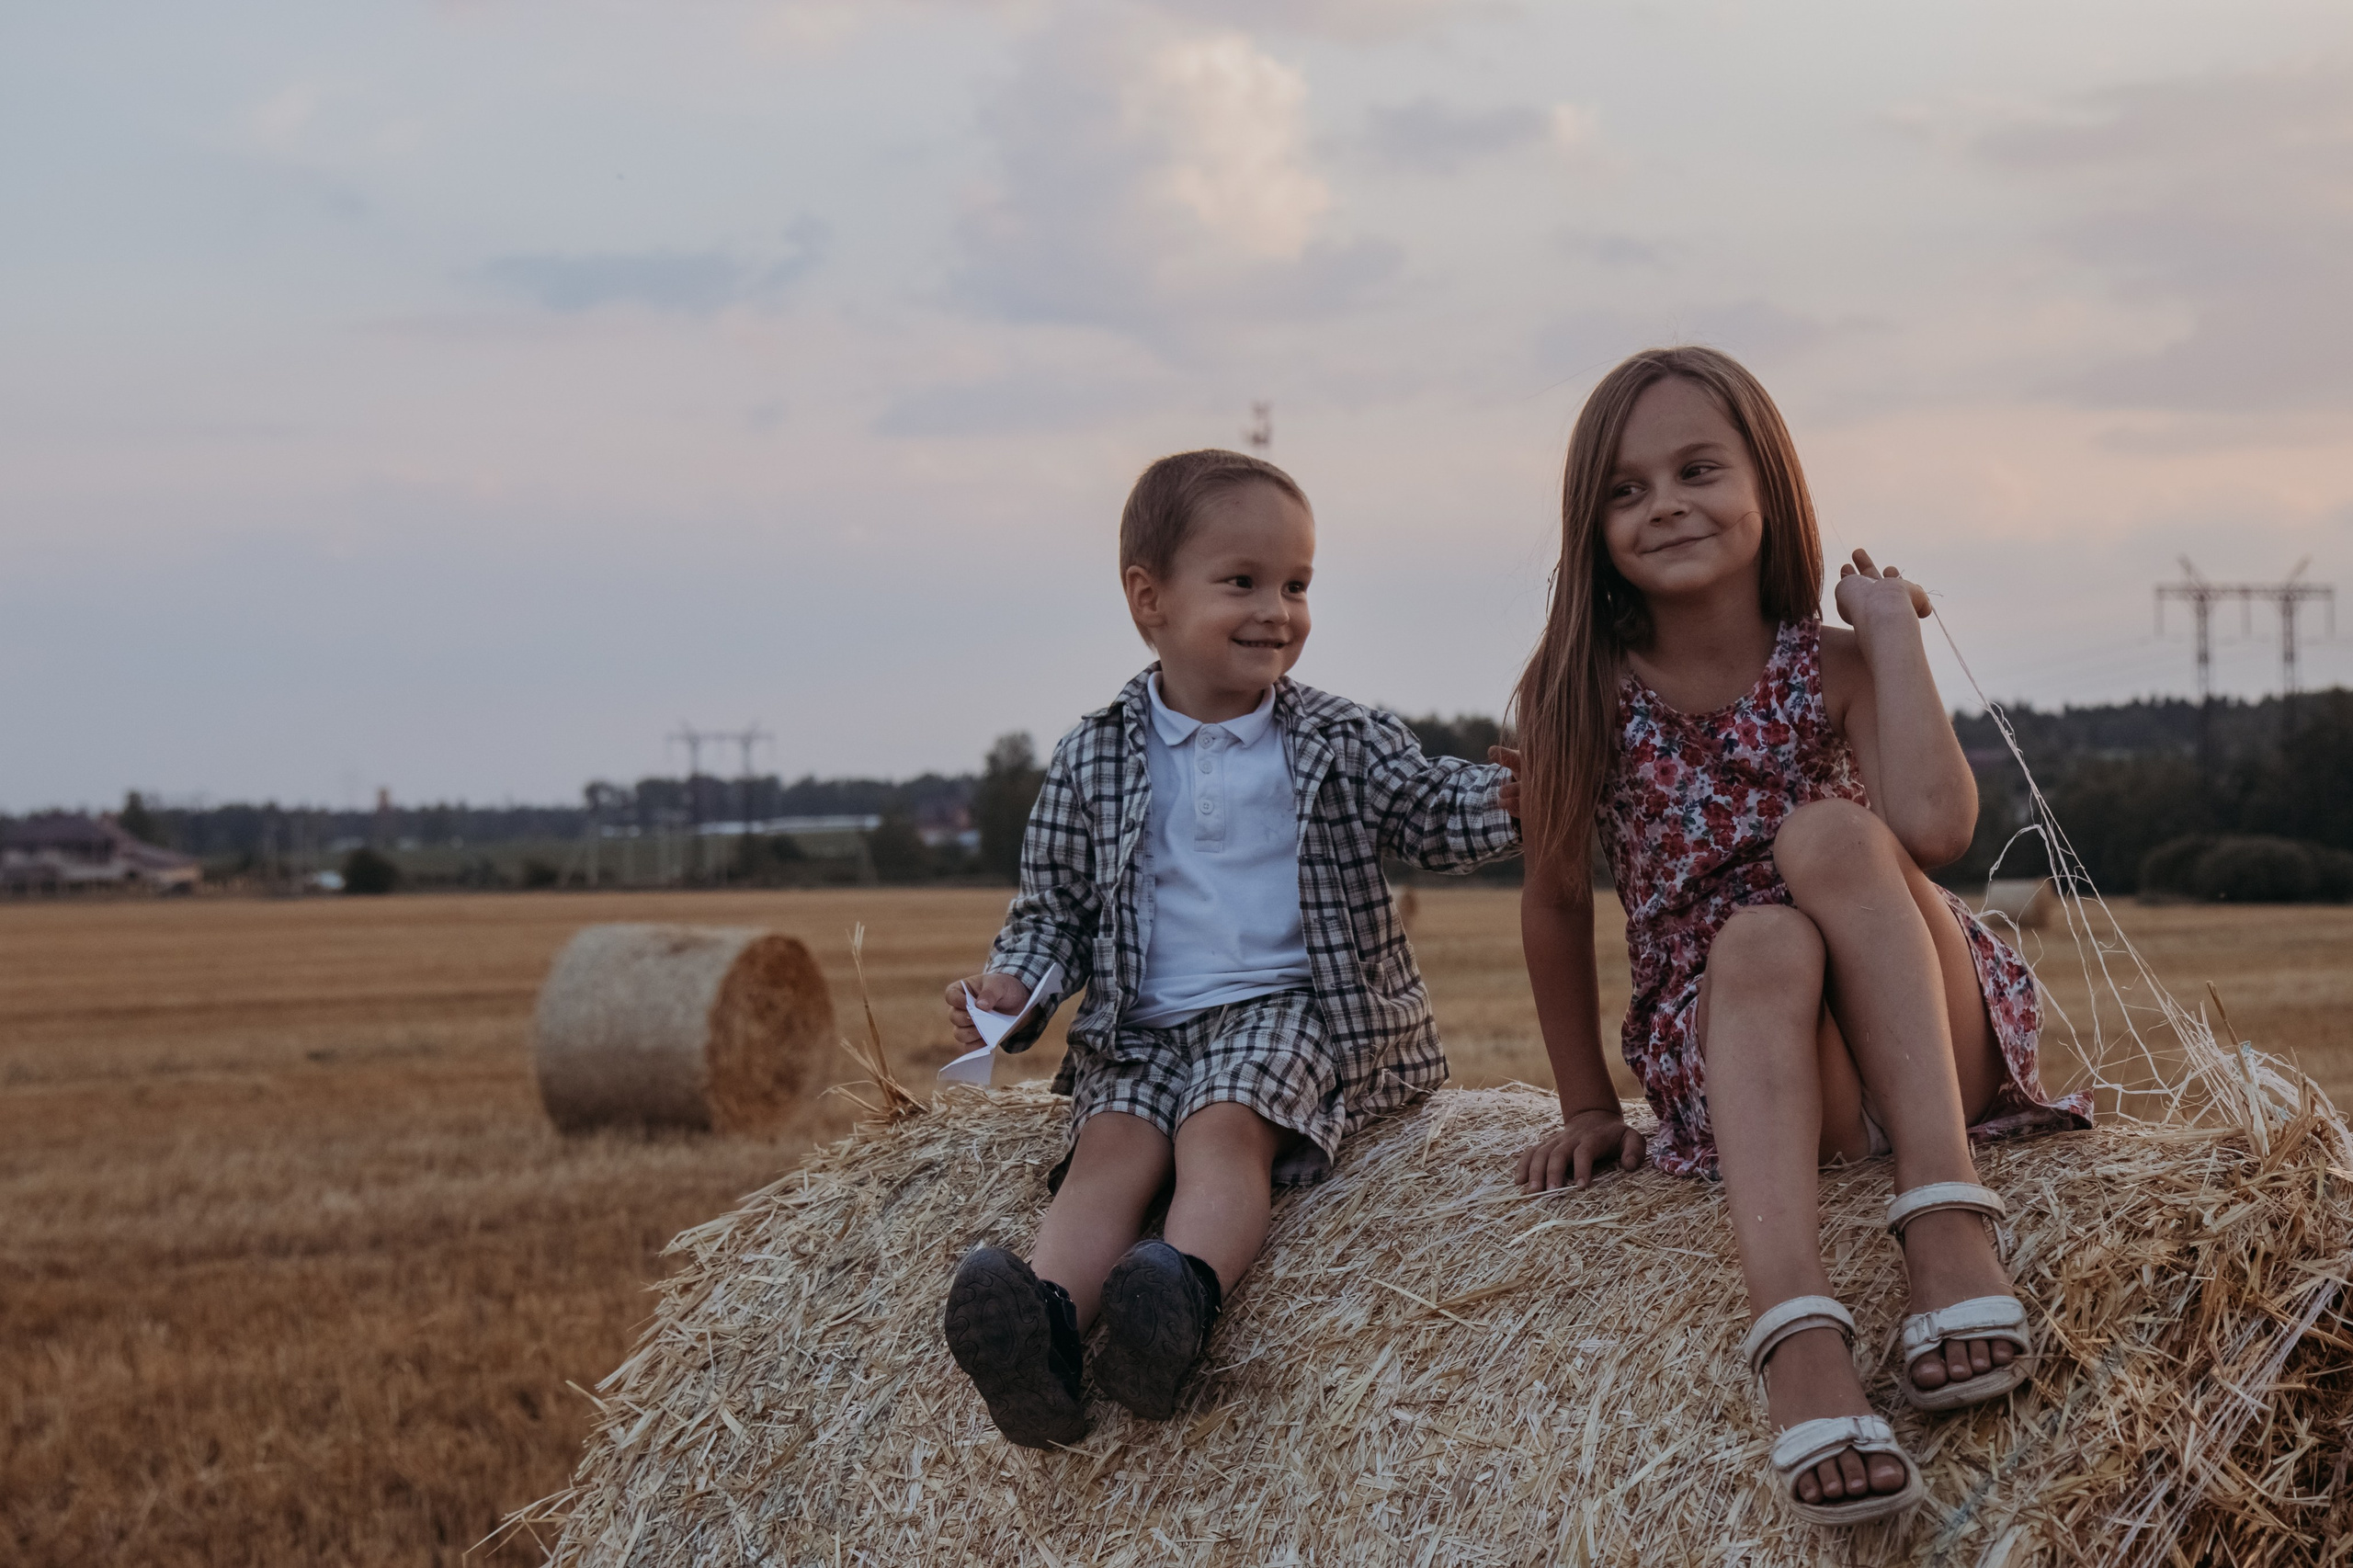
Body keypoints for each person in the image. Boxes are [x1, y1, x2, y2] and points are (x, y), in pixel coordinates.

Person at [1500, 347, 2090, 1525]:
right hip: (1756, 1056)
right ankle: (1797, 1332)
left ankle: (1944, 1210)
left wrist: (1888, 632)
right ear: (1591, 523)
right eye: (1624, 488)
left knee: (1829, 835)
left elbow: (1931, 826)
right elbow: (1557, 903)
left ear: (1766, 482)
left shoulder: (1833, 664)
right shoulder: (1579, 696)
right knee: (1758, 940)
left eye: (1697, 468)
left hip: (1926, 1028)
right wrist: (1584, 1105)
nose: (1664, 502)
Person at [940, 448, 1518, 1449]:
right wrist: (1013, 988)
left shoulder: (1340, 736)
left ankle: (1180, 1296)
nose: (1277, 610)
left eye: (1297, 585)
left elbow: (1429, 810)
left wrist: (1512, 797)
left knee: (1221, 1126)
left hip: (1288, 1010)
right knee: (1109, 1150)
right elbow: (1053, 909)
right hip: (1140, 1022)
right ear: (1148, 599)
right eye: (1242, 582)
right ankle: (1042, 1329)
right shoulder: (1096, 751)